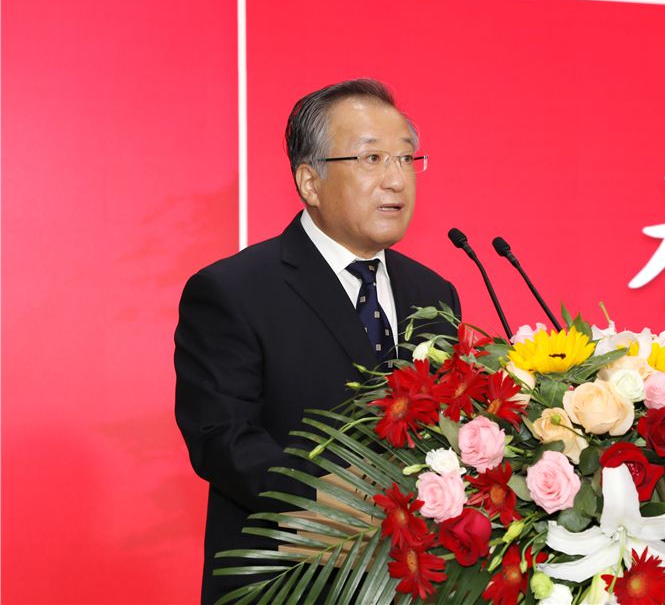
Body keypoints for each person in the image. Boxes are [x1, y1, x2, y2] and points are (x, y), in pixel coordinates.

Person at [174, 79, 460, 603]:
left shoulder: (433, 292)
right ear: (310, 181)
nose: (396, 179)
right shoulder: (233, 290)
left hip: (413, 583)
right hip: (287, 581)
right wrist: (317, 496)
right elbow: (221, 435)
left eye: (405, 158)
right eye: (372, 158)